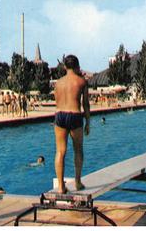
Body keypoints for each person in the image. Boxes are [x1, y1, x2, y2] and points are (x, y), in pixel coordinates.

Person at [53, 55, 90, 194]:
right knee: (78, 150)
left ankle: (61, 187)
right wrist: (88, 122)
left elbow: (57, 102)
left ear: (64, 67)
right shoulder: (82, 81)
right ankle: (78, 182)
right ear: (77, 66)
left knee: (60, 151)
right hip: (75, 115)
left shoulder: (58, 83)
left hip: (60, 115)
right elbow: (85, 104)